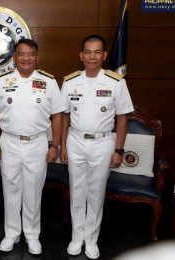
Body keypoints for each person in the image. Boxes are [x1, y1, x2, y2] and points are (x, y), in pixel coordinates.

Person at [0, 38, 65, 255]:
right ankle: (11, 233)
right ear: (14, 57)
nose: (26, 58)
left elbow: (57, 116)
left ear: (37, 58)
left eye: (30, 54)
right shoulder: (2, 81)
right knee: (10, 189)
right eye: (21, 54)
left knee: (32, 191)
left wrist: (55, 145)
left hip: (38, 143)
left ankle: (31, 235)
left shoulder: (48, 82)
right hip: (9, 142)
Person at [60, 35, 134, 259]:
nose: (92, 57)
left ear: (104, 55)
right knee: (77, 191)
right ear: (81, 55)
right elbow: (64, 116)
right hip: (75, 141)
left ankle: (91, 240)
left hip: (103, 143)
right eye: (88, 52)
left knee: (96, 192)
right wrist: (63, 145)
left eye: (97, 52)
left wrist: (118, 150)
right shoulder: (70, 81)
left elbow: (122, 118)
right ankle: (76, 237)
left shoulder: (116, 82)